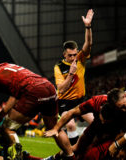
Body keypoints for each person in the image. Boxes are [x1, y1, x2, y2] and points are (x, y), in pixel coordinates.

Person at [0, 60, 74, 159]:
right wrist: (1, 114)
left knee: (5, 127)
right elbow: (15, 95)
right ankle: (71, 155)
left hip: (33, 90)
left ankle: (16, 155)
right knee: (54, 128)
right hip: (48, 86)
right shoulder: (5, 66)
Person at [45, 92, 126, 160]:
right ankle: (53, 158)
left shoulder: (125, 110)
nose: (103, 122)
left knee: (107, 153)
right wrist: (56, 128)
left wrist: (121, 146)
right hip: (95, 127)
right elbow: (72, 112)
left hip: (114, 132)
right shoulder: (96, 101)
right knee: (76, 149)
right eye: (101, 119)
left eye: (105, 121)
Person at [53, 9, 94, 145]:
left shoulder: (80, 59)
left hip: (80, 99)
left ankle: (91, 147)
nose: (72, 58)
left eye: (74, 54)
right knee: (70, 126)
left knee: (95, 122)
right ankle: (74, 153)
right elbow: (62, 89)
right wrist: (71, 73)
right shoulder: (58, 67)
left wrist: (88, 27)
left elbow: (88, 44)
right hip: (65, 102)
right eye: (70, 55)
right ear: (64, 54)